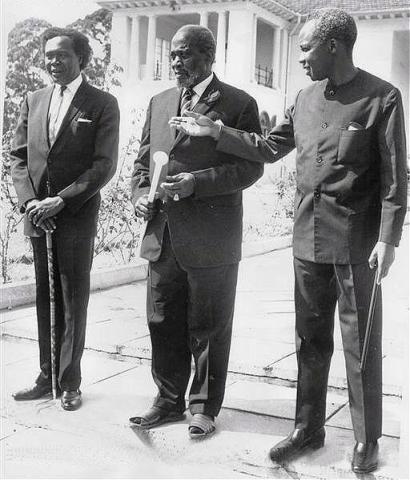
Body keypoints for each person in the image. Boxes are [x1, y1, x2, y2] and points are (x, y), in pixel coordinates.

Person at [169, 8, 407, 472]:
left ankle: (366, 437)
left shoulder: (383, 97)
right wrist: (216, 130)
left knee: (361, 345)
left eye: (305, 48)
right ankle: (307, 428)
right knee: (308, 340)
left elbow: (396, 178)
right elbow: (268, 147)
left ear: (333, 46)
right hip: (307, 241)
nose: (299, 58)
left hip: (358, 245)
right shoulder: (302, 98)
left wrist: (389, 239)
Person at [130, 25, 263, 438]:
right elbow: (141, 164)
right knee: (161, 318)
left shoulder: (239, 103)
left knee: (208, 325)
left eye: (184, 55)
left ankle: (203, 407)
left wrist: (195, 183)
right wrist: (139, 195)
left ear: (208, 57)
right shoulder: (159, 101)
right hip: (163, 235)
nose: (175, 62)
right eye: (172, 55)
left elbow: (249, 167)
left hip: (212, 237)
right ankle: (167, 400)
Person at [10, 28, 120, 411]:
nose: (53, 62)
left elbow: (104, 165)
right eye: (49, 56)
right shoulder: (34, 99)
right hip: (38, 217)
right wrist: (30, 204)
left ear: (81, 59)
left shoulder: (102, 103)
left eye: (62, 55)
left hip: (74, 215)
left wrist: (62, 200)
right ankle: (47, 374)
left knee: (73, 299)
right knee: (45, 297)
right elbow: (17, 158)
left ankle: (69, 380)